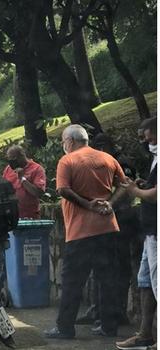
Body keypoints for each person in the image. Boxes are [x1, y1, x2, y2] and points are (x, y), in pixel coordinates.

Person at [44, 124, 127, 339]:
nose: (64, 145)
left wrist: (87, 204)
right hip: (108, 228)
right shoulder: (108, 159)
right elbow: (124, 185)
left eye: (63, 141)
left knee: (72, 282)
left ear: (70, 141)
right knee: (108, 279)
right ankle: (109, 327)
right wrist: (110, 203)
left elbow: (63, 190)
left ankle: (65, 328)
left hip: (80, 233)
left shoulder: (68, 160)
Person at [76, 134, 139, 326]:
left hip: (121, 219)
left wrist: (109, 204)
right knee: (100, 267)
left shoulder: (120, 162)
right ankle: (98, 311)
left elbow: (126, 189)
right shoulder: (101, 161)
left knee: (117, 269)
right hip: (103, 220)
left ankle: (114, 313)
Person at [116, 117, 157, 350]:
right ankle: (145, 334)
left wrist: (134, 190)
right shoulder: (155, 158)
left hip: (156, 233)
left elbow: (156, 195)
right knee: (145, 282)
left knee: (157, 283)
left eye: (148, 136)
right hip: (149, 231)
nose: (145, 141)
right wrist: (142, 185)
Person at [0, 145, 46, 291]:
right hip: (9, 219)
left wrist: (22, 178)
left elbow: (38, 193)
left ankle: (28, 287)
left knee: (26, 256)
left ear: (22, 156)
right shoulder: (8, 170)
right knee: (1, 253)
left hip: (29, 219)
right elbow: (3, 189)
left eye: (14, 160)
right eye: (9, 161)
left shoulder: (36, 169)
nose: (11, 164)